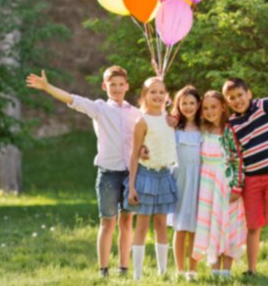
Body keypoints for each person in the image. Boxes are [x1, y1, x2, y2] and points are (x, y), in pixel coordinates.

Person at [26, 66, 140, 278]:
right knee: (108, 222)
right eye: (112, 85)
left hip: (130, 175)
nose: (116, 88)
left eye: (120, 84)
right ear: (104, 87)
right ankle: (103, 270)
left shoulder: (136, 113)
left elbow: (149, 130)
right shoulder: (99, 108)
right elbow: (71, 99)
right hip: (108, 173)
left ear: (127, 86)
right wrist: (47, 87)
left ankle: (124, 268)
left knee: (127, 222)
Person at [222, 49, 268, 278]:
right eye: (231, 98)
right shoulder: (231, 124)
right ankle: (251, 269)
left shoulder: (262, 106)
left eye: (239, 95)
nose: (237, 100)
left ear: (249, 93)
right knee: (253, 226)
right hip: (251, 179)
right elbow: (233, 155)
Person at [124, 77, 178, 281]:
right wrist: (131, 187)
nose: (157, 96)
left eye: (161, 92)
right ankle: (137, 274)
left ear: (166, 95)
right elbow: (134, 154)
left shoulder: (169, 118)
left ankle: (162, 272)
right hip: (146, 176)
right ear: (144, 95)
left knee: (162, 224)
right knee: (142, 225)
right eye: (152, 92)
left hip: (164, 175)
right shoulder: (142, 121)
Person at [192, 91, 246, 279]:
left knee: (226, 223)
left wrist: (237, 186)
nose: (209, 111)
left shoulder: (229, 131)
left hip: (226, 183)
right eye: (205, 108)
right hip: (207, 185)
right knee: (211, 224)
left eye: (213, 107)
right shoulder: (202, 130)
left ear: (223, 107)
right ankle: (214, 269)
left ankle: (226, 271)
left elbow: (238, 159)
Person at [169, 85, 203, 281]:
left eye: (192, 103)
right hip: (180, 178)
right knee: (180, 226)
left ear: (198, 104)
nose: (188, 107)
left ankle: (193, 269)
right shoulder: (174, 128)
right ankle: (180, 269)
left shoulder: (203, 128)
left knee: (196, 227)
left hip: (199, 179)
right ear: (178, 105)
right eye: (184, 103)